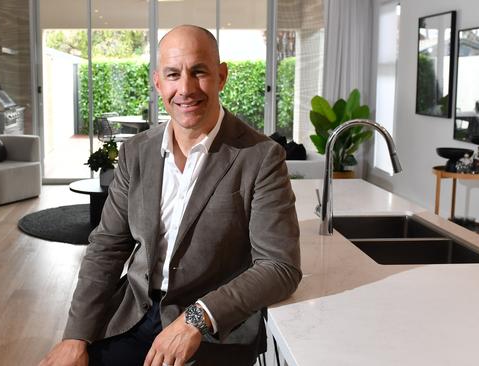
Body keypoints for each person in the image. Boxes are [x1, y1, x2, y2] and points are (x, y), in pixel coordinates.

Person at [39, 24, 301, 366]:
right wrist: (75, 336)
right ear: (158, 82)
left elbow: (280, 266)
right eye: (173, 74)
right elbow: (107, 247)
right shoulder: (136, 153)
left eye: (199, 72)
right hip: (136, 314)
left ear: (221, 77)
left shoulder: (260, 156)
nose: (186, 88)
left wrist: (198, 318)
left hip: (212, 331)